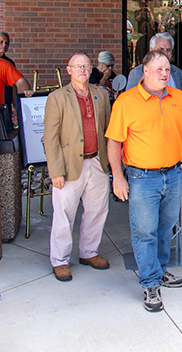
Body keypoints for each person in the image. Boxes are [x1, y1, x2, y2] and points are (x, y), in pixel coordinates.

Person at [106, 51, 182, 312]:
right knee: (145, 232)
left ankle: (160, 270)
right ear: (145, 72)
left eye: (167, 69)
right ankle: (150, 282)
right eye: (159, 69)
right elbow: (114, 142)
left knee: (166, 229)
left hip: (174, 174)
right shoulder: (126, 101)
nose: (165, 74)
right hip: (142, 177)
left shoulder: (178, 97)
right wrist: (118, 177)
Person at [43, 53, 111, 282]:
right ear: (68, 69)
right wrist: (55, 171)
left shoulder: (101, 95)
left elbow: (109, 131)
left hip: (97, 161)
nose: (82, 70)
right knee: (64, 214)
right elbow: (50, 138)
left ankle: (89, 252)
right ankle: (60, 260)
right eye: (77, 66)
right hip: (70, 165)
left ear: (91, 69)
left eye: (86, 66)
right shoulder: (57, 98)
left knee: (97, 210)